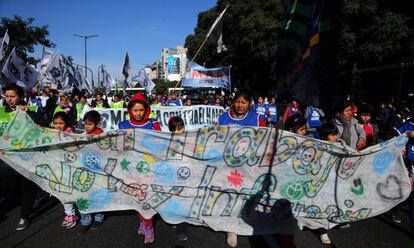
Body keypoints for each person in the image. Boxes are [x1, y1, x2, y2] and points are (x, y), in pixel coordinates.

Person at [217, 91, 265, 247]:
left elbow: (265, 139)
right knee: (231, 194)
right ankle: (231, 228)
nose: (240, 105)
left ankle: (244, 221)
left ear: (249, 103)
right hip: (229, 164)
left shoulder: (256, 118)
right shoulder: (223, 118)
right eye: (237, 101)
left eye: (243, 102)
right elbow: (217, 139)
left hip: (249, 164)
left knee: (245, 195)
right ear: (233, 102)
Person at [0, 83, 49, 231]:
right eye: (7, 96)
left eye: (12, 96)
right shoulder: (1, 112)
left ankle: (24, 216)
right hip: (5, 160)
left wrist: (29, 114)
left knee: (27, 187)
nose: (9, 99)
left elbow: (44, 127)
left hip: (27, 158)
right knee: (8, 187)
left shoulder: (32, 110)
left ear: (20, 97)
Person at [118, 92, 161, 244]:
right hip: (131, 169)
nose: (138, 113)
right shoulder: (123, 125)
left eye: (141, 110)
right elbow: (120, 146)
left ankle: (149, 227)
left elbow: (161, 143)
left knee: (146, 198)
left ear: (146, 109)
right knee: (137, 198)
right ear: (130, 110)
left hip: (150, 168)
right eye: (135, 110)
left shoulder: (153, 123)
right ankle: (143, 222)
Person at [77, 110, 105, 235]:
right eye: (85, 124)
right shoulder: (81, 135)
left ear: (97, 124)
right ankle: (85, 220)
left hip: (98, 171)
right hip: (84, 170)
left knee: (98, 194)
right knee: (82, 194)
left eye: (90, 124)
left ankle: (99, 216)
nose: (86, 127)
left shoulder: (103, 136)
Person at [52, 112, 78, 229]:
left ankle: (83, 212)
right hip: (57, 168)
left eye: (61, 123)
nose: (58, 126)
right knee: (63, 193)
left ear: (66, 123)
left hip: (71, 168)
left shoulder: (71, 134)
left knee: (73, 191)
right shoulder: (50, 133)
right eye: (55, 123)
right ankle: (70, 214)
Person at [167, 116, 188, 241]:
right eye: (177, 129)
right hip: (171, 177)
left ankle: (182, 228)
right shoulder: (168, 141)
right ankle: (173, 219)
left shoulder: (188, 140)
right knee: (173, 200)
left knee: (182, 202)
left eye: (182, 128)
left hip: (185, 177)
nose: (180, 131)